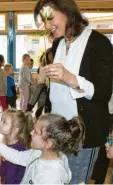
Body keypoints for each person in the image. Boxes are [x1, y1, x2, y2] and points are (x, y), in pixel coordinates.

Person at [34, 0, 113, 183]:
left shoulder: (98, 43)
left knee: (77, 180)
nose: (47, 25)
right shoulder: (58, 44)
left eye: (50, 17)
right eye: (43, 20)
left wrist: (70, 78)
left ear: (67, 13)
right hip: (57, 133)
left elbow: (102, 93)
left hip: (83, 135)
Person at [0, 113, 85, 184]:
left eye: (36, 132)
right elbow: (16, 156)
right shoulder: (37, 153)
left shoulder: (50, 176)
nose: (31, 132)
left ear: (48, 143)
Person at [0, 109, 34, 184]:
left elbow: (11, 177)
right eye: (1, 120)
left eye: (4, 122)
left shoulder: (17, 151)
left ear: (15, 130)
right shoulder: (10, 145)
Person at [27, 48, 53, 119]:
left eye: (52, 55)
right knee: (37, 96)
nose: (51, 56)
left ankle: (37, 114)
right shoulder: (43, 65)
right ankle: (29, 109)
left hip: (47, 86)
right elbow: (42, 77)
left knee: (42, 100)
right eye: (50, 55)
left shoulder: (51, 64)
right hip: (42, 84)